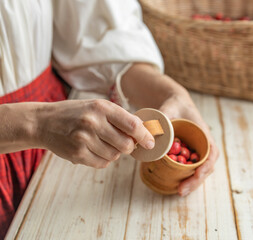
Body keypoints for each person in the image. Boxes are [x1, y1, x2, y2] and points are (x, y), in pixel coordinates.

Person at [0, 0, 219, 238]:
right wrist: (35, 124)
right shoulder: (42, 124)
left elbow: (94, 34)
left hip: (51, 148)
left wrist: (172, 94)